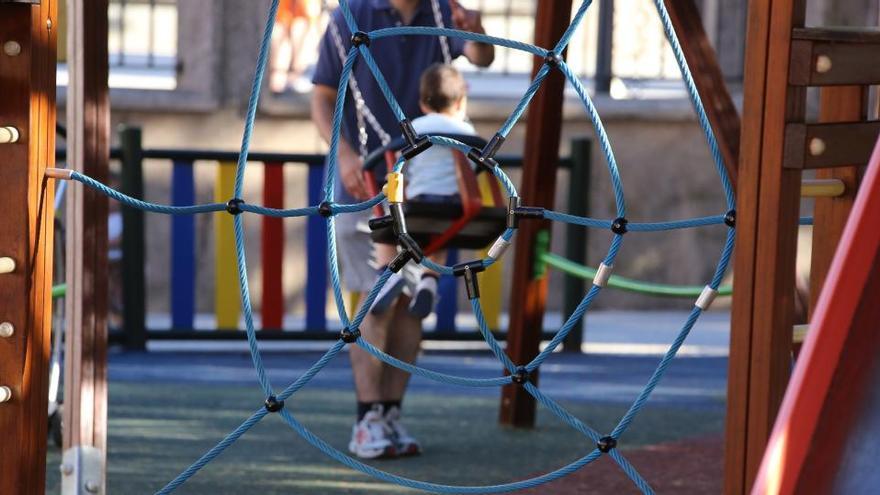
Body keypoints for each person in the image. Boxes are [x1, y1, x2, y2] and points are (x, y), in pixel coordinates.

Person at [311, 0, 493, 459]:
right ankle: (366, 419)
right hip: (369, 177)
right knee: (376, 302)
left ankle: (390, 413)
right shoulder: (351, 17)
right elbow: (321, 96)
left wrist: (476, 29)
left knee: (412, 306)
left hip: (429, 185)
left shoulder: (439, 13)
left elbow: (481, 56)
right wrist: (347, 155)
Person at [371, 63, 475, 319]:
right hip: (456, 210)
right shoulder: (467, 132)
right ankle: (429, 280)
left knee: (385, 224)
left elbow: (400, 167)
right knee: (440, 236)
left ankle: (388, 275)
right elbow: (472, 167)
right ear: (461, 101)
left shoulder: (415, 128)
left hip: (417, 206)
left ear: (422, 103)